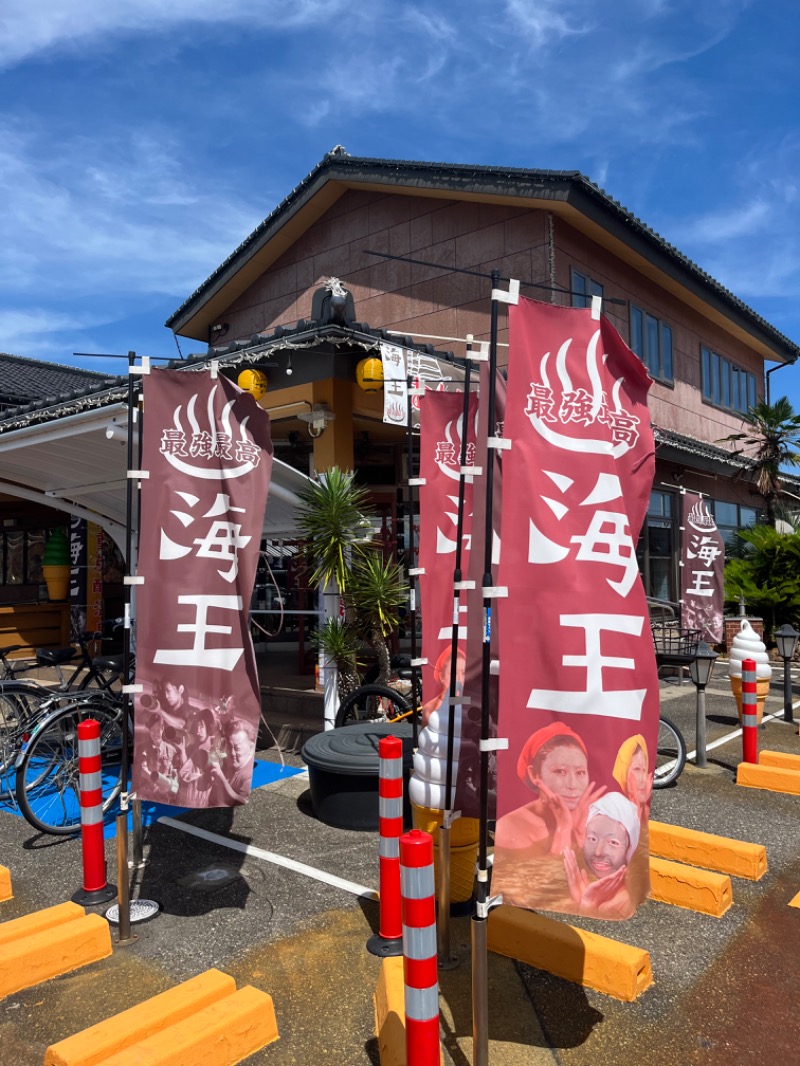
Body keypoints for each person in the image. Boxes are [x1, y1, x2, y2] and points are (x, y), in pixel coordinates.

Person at [494, 723, 605, 859]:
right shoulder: (509, 829)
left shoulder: (596, 822)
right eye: (560, 771)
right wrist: (563, 830)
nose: (572, 785)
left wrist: (579, 837)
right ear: (534, 774)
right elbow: (543, 879)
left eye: (580, 772)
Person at [563, 792, 640, 919]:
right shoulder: (589, 888)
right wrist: (579, 899)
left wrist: (588, 904)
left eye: (613, 842)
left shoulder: (622, 905)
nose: (598, 852)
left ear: (630, 848)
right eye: (592, 839)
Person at [209, 718, 256, 806]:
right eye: (229, 747)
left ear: (251, 747)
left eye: (237, 748)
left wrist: (221, 777)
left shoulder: (247, 775)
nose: (232, 753)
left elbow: (242, 801)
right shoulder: (231, 762)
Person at [176, 707, 216, 807]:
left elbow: (186, 774)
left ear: (209, 726)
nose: (198, 730)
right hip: (184, 797)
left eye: (201, 726)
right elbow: (185, 772)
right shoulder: (194, 746)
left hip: (197, 800)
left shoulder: (214, 748)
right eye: (197, 726)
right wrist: (182, 751)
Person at [137, 711, 180, 799]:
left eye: (158, 730)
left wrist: (173, 788)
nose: (155, 733)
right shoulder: (142, 748)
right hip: (146, 796)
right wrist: (158, 785)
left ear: (162, 729)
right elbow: (142, 770)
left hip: (165, 798)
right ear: (149, 730)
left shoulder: (172, 750)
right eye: (152, 730)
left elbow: (175, 773)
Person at [421, 646, 466, 727]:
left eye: (464, 673)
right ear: (442, 677)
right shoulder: (430, 707)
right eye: (454, 674)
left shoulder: (471, 699)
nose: (460, 679)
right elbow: (436, 726)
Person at [612, 734, 652, 818]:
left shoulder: (644, 812)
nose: (642, 779)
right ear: (623, 771)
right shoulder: (609, 809)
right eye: (636, 769)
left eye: (644, 770)